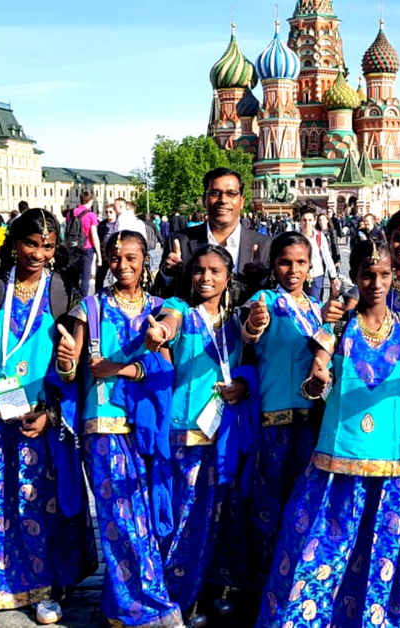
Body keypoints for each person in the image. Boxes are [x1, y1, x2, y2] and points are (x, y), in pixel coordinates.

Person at [257, 239, 400, 628]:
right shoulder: (337, 327)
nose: (376, 282)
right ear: (354, 276)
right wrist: (318, 378)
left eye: (384, 274)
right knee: (321, 547)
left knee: (383, 551)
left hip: (396, 459)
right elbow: (316, 373)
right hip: (339, 458)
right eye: (367, 274)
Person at [0, 209, 96, 628]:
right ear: (14, 244)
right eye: (31, 243)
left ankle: (43, 588)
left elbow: (71, 362)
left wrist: (52, 409)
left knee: (37, 502)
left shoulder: (63, 291)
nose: (38, 253)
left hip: (36, 415)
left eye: (46, 246)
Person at [53, 230, 183, 628]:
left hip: (149, 427)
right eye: (115, 257)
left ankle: (119, 603)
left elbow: (166, 366)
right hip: (104, 424)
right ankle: (147, 605)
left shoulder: (160, 308)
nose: (123, 265)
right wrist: (64, 360)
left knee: (146, 513)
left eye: (131, 257)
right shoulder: (88, 310)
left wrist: (127, 367)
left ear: (145, 259)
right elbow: (71, 372)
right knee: (121, 517)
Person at [144, 245, 249, 624]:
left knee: (222, 516)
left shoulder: (237, 321)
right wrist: (160, 332)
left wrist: (243, 384)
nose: (206, 278)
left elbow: (248, 365)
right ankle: (178, 595)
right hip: (185, 431)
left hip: (224, 436)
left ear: (228, 277)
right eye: (199, 271)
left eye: (215, 271)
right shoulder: (182, 312)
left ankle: (214, 588)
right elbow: (166, 324)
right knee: (184, 516)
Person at [242, 232, 323, 589]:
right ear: (274, 265)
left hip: (311, 420)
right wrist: (255, 324)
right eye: (285, 262)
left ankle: (295, 580)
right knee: (268, 503)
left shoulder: (318, 309)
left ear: (311, 266)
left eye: (301, 263)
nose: (293, 270)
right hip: (272, 418)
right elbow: (250, 332)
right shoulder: (264, 301)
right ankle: (264, 579)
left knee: (304, 502)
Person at [154, 167, 271, 303]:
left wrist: (262, 279)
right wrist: (166, 275)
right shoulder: (180, 242)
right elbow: (159, 296)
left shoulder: (265, 244)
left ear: (242, 201)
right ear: (204, 199)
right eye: (215, 193)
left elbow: (276, 298)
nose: (223, 200)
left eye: (231, 194)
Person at [66, 191, 102, 297]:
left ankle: (72, 298)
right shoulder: (91, 215)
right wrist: (99, 256)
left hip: (72, 247)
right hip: (87, 247)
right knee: (85, 276)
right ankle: (83, 300)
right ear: (91, 201)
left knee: (74, 275)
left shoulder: (70, 213)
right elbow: (94, 236)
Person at [298, 207, 336, 301]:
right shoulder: (296, 236)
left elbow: (327, 256)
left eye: (310, 220)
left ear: (314, 221)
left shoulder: (319, 236)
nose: (307, 223)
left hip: (316, 275)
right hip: (299, 275)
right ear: (300, 221)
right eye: (304, 220)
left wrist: (333, 276)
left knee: (315, 302)